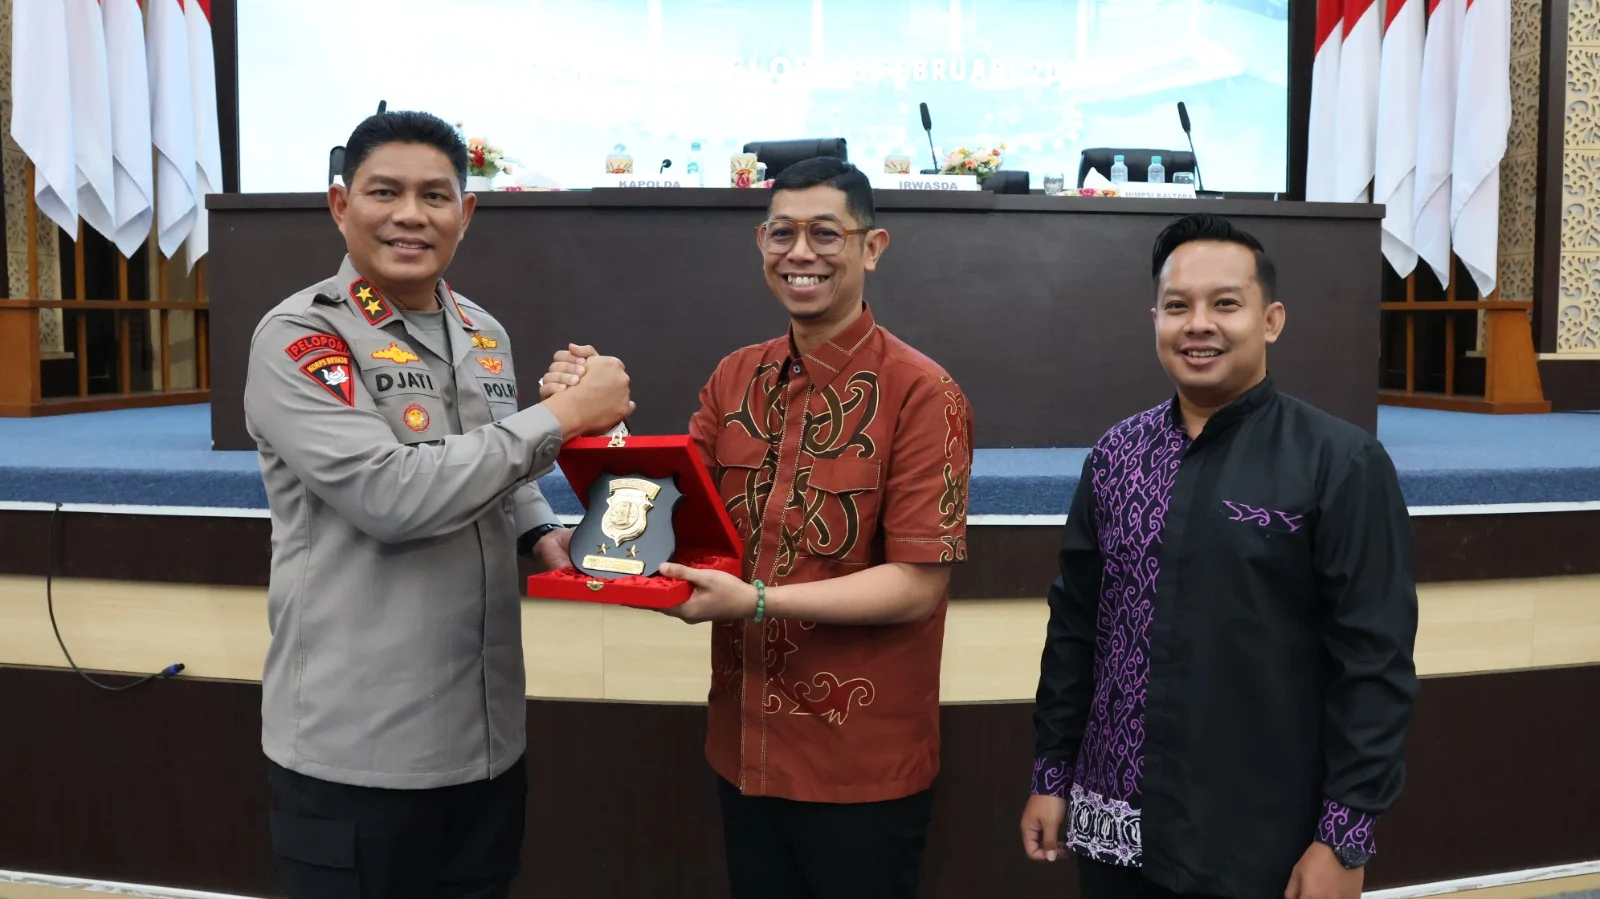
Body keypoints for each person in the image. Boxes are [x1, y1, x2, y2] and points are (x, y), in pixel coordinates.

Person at [540, 157, 974, 899]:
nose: (800, 253)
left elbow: (916, 585)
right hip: (743, 748)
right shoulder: (735, 377)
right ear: (760, 243)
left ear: (872, 247)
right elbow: (672, 511)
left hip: (859, 763)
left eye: (825, 233)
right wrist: (591, 418)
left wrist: (759, 602)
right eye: (781, 233)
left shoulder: (925, 393)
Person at [243, 110, 633, 899]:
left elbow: (496, 467)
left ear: (466, 211)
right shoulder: (299, 337)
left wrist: (545, 533)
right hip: (357, 751)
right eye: (384, 192)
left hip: (485, 741)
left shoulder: (482, 332)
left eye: (434, 195)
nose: (411, 214)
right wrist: (563, 416)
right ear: (340, 204)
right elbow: (390, 493)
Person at [1019, 213, 1419, 899]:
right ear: (1156, 319)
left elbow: (1374, 664)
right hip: (1115, 827)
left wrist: (1344, 838)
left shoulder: (1339, 463)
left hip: (1260, 836)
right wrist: (1052, 773)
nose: (1198, 324)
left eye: (1225, 304)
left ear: (1271, 321)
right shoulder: (1116, 456)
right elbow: (1075, 630)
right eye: (1178, 306)